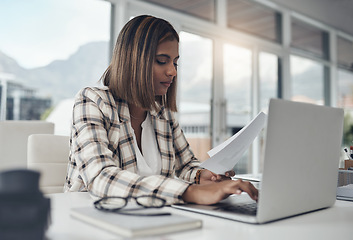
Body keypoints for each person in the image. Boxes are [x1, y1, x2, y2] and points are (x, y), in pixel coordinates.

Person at [64, 15, 258, 205]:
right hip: (91, 218)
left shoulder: (162, 114)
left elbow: (185, 165)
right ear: (134, 61)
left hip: (150, 216)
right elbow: (101, 178)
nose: (173, 71)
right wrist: (190, 192)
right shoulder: (92, 101)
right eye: (161, 61)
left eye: (175, 62)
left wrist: (203, 176)